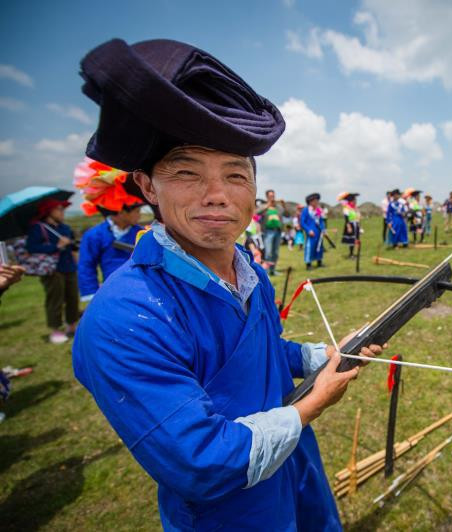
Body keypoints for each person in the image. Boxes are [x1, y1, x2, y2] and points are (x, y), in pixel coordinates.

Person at [72, 38, 385, 531]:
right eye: (187, 171)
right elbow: (200, 459)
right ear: (147, 185)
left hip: (293, 473)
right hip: (226, 512)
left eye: (235, 174)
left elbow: (262, 353)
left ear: (255, 188)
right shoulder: (122, 318)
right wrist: (311, 405)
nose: (217, 195)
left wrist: (324, 356)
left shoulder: (248, 270)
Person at [26, 199, 79, 344]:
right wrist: (57, 246)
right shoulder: (38, 228)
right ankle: (56, 330)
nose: (63, 212)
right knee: (55, 299)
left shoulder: (65, 228)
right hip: (52, 270)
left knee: (73, 297)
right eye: (59, 209)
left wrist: (72, 248)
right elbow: (32, 248)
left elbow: (73, 247)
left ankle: (72, 325)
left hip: (69, 266)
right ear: (49, 212)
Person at [78, 203, 143, 301]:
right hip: (110, 288)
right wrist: (91, 292)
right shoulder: (95, 235)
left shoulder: (142, 234)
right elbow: (87, 265)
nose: (139, 215)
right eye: (137, 211)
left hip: (140, 287)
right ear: (122, 213)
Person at [258, 189, 282, 276]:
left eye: (273, 195)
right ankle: (266, 272)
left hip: (278, 231)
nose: (272, 197)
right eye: (270, 196)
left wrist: (284, 205)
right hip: (268, 232)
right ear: (267, 197)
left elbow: (287, 214)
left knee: (275, 252)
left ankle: (273, 270)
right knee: (268, 252)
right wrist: (268, 205)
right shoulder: (264, 206)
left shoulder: (278, 207)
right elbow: (257, 212)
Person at [301, 193, 325, 269]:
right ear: (310, 202)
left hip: (319, 232)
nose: (316, 202)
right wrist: (308, 230)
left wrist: (323, 229)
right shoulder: (306, 210)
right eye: (314, 201)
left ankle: (319, 262)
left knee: (319, 247)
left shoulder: (319, 210)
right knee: (309, 247)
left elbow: (321, 221)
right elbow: (302, 222)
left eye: (317, 200)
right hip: (311, 232)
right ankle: (308, 264)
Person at [340, 192, 361, 258]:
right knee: (351, 240)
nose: (355, 202)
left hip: (356, 224)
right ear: (350, 201)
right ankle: (351, 254)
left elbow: (358, 217)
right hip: (351, 225)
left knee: (356, 239)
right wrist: (349, 227)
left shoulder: (355, 208)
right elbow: (346, 219)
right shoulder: (346, 208)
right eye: (354, 200)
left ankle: (354, 253)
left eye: (356, 200)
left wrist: (359, 226)